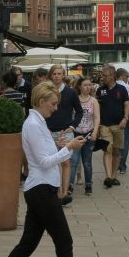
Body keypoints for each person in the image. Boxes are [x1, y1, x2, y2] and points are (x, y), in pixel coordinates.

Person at [0, 82, 106, 257]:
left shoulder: (38, 122)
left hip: (40, 189)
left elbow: (43, 154)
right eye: (53, 104)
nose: (55, 108)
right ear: (41, 102)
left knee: (27, 244)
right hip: (41, 190)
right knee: (64, 240)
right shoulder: (33, 124)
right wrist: (68, 148)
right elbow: (43, 162)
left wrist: (59, 145)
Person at [45, 65, 82, 205]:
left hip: (65, 132)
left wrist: (72, 126)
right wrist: (44, 128)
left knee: (66, 162)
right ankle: (55, 191)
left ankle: (64, 193)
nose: (56, 76)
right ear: (50, 75)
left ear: (63, 75)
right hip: (49, 132)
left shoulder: (70, 92)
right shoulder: (47, 92)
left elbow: (79, 111)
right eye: (54, 73)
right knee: (52, 163)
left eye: (59, 73)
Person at [95, 65, 129, 187]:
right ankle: (108, 176)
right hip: (105, 125)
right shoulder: (100, 90)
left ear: (112, 76)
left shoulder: (122, 89)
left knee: (116, 151)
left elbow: (127, 105)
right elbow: (96, 107)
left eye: (104, 75)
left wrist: (125, 118)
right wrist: (97, 125)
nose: (102, 77)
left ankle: (114, 175)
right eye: (102, 75)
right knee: (107, 149)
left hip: (118, 125)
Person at [69, 77, 99, 196]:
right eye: (85, 85)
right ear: (80, 87)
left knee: (87, 161)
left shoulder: (93, 101)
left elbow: (97, 118)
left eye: (90, 85)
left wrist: (95, 132)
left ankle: (88, 184)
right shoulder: (75, 100)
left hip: (88, 134)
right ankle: (70, 184)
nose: (88, 87)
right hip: (76, 134)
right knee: (74, 161)